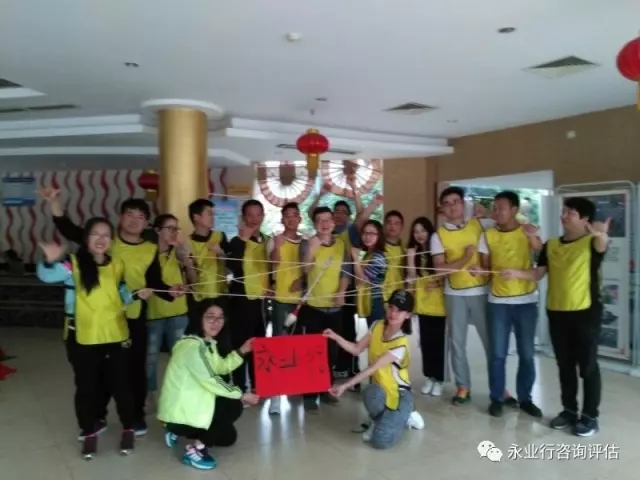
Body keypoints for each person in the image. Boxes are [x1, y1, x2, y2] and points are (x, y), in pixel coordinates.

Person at [39, 188, 179, 435]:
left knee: (134, 371)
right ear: (121, 217)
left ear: (146, 223)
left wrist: (170, 291)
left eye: (140, 216)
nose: (134, 220)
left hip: (133, 317)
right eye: (130, 214)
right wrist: (54, 203)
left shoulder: (150, 249)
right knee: (99, 373)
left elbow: (153, 281)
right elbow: (69, 229)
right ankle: (97, 417)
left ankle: (135, 417)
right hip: (97, 320)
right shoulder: (105, 241)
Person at [36, 217, 153, 459]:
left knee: (122, 385)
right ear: (86, 238)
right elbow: (47, 276)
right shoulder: (73, 265)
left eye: (106, 235)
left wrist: (136, 295)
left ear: (111, 240)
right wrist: (49, 260)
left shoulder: (117, 265)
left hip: (116, 335)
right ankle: (89, 431)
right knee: (87, 387)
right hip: (83, 337)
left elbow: (120, 296)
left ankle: (128, 428)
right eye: (95, 234)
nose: (101, 239)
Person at [502, 197, 609, 436]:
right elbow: (538, 274)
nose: (564, 216)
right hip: (557, 313)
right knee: (564, 366)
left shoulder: (591, 242)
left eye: (571, 212)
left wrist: (601, 234)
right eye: (564, 211)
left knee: (588, 366)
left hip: (586, 313)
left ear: (585, 219)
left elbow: (602, 245)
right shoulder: (551, 245)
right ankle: (569, 411)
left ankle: (590, 417)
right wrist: (516, 273)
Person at [431, 186, 515, 406]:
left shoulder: (479, 225)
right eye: (447, 203)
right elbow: (440, 269)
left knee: (491, 342)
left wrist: (486, 212)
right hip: (454, 293)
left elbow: (504, 222)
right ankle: (463, 387)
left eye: (456, 201)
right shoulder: (438, 236)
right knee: (457, 342)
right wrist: (465, 258)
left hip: (481, 291)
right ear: (442, 209)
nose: (452, 207)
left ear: (463, 203)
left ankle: (500, 388)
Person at [158, 299, 260, 470]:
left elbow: (221, 367)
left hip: (195, 404)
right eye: (210, 317)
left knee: (228, 438)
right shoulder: (191, 347)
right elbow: (210, 379)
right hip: (182, 410)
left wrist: (242, 350)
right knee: (233, 405)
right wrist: (241, 395)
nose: (216, 322)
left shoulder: (207, 343)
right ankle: (194, 450)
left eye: (220, 317)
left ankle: (176, 431)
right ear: (199, 318)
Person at [326, 289, 419, 450]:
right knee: (369, 393)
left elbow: (372, 368)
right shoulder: (377, 325)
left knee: (381, 441)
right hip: (380, 389)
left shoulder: (401, 343)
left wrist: (344, 386)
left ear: (408, 315)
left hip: (399, 394)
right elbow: (356, 349)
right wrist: (336, 337)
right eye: (391, 307)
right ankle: (383, 420)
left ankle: (406, 413)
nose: (393, 314)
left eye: (399, 310)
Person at [480, 191, 543, 418]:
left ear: (514, 209)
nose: (496, 212)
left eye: (501, 208)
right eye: (494, 208)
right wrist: (479, 271)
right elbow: (486, 269)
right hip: (498, 301)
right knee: (498, 354)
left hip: (526, 301)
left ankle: (526, 399)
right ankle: (497, 398)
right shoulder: (488, 235)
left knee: (527, 354)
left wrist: (533, 236)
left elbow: (542, 255)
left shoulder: (527, 231)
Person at [298, 206, 350, 413]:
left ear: (334, 222)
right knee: (312, 353)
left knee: (331, 353)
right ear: (314, 224)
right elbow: (305, 270)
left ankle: (325, 389)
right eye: (320, 220)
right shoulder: (308, 243)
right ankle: (310, 395)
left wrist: (342, 292)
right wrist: (312, 249)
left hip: (334, 308)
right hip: (313, 308)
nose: (325, 224)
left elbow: (346, 272)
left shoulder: (341, 244)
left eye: (328, 219)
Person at [145, 214, 197, 407]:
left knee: (179, 357)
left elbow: (194, 281)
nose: (174, 232)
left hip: (178, 312)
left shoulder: (180, 252)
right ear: (158, 231)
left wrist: (187, 261)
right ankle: (149, 393)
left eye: (177, 228)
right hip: (154, 312)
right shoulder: (147, 252)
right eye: (170, 228)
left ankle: (177, 393)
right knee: (150, 357)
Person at [226, 199, 270, 395]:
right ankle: (239, 388)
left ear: (263, 217)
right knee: (240, 345)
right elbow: (232, 267)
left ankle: (258, 385)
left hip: (261, 302)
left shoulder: (267, 240)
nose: (254, 219)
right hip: (241, 302)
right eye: (250, 215)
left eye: (258, 214)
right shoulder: (236, 241)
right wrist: (242, 241)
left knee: (259, 345)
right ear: (243, 217)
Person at [266, 202, 306, 415]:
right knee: (278, 345)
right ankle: (275, 396)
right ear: (282, 219)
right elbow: (272, 265)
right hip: (281, 299)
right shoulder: (275, 240)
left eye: (294, 215)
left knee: (297, 346)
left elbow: (310, 269)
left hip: (300, 301)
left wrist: (303, 281)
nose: (291, 219)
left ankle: (293, 386)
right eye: (287, 215)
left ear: (300, 218)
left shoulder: (306, 242)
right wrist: (278, 245)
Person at [406, 217, 446, 397]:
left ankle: (439, 379)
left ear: (430, 232)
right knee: (426, 344)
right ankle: (429, 376)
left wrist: (437, 284)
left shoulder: (438, 252)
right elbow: (411, 278)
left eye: (423, 230)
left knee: (438, 344)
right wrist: (410, 258)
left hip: (439, 306)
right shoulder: (415, 253)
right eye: (416, 231)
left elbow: (448, 276)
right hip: (422, 305)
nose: (420, 235)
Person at [187, 199, 229, 304]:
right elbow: (189, 278)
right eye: (209, 214)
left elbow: (231, 265)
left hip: (221, 295)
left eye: (213, 214)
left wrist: (220, 252)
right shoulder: (188, 244)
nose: (213, 217)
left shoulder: (220, 236)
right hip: (199, 298)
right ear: (196, 217)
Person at [353, 219, 387, 328]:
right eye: (365, 233)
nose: (367, 236)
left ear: (379, 236)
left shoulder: (378, 257)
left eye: (372, 233)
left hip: (376, 303)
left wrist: (355, 259)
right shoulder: (368, 254)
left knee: (375, 334)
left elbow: (362, 280)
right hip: (369, 301)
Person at [381, 210, 406, 303]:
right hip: (380, 293)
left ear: (402, 227)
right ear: (384, 225)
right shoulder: (378, 246)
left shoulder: (405, 247)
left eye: (396, 223)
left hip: (399, 292)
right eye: (389, 223)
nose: (393, 226)